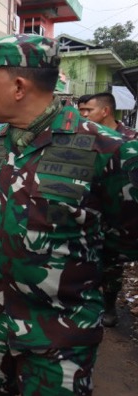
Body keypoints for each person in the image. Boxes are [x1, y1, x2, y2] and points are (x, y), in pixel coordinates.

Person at [0, 34, 138, 396]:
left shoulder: (108, 150)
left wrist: (71, 269)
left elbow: (125, 239)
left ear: (18, 86)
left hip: (58, 341)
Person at [77, 92, 138, 327]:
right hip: (90, 212)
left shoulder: (129, 140)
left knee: (112, 265)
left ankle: (110, 304)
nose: (83, 115)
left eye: (87, 110)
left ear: (105, 111)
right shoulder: (85, 139)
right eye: (80, 110)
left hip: (118, 214)